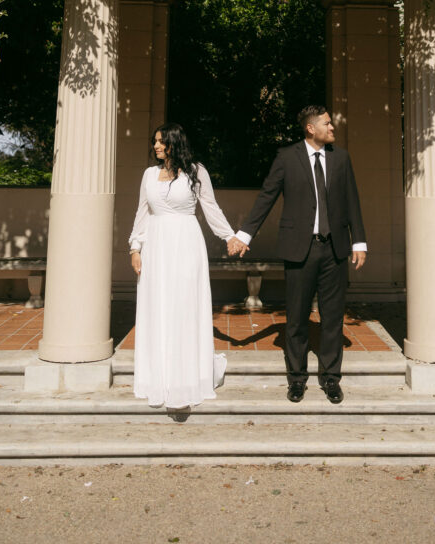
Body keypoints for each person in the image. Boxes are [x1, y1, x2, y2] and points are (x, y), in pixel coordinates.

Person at [228, 106, 366, 404]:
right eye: (327, 123)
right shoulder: (287, 157)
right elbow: (267, 195)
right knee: (297, 318)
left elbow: (352, 199)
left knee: (332, 318)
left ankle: (331, 378)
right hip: (299, 249)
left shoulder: (340, 158)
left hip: (335, 249)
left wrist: (360, 242)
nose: (333, 127)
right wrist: (245, 233)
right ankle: (297, 379)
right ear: (310, 128)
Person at [129, 123, 235, 409]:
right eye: (155, 142)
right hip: (156, 247)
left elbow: (211, 207)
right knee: (158, 307)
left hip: (187, 246)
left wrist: (230, 235)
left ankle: (187, 378)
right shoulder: (149, 175)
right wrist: (135, 247)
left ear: (175, 143)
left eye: (161, 142)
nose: (156, 146)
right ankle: (158, 378)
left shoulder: (196, 172)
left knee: (184, 306)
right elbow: (143, 212)